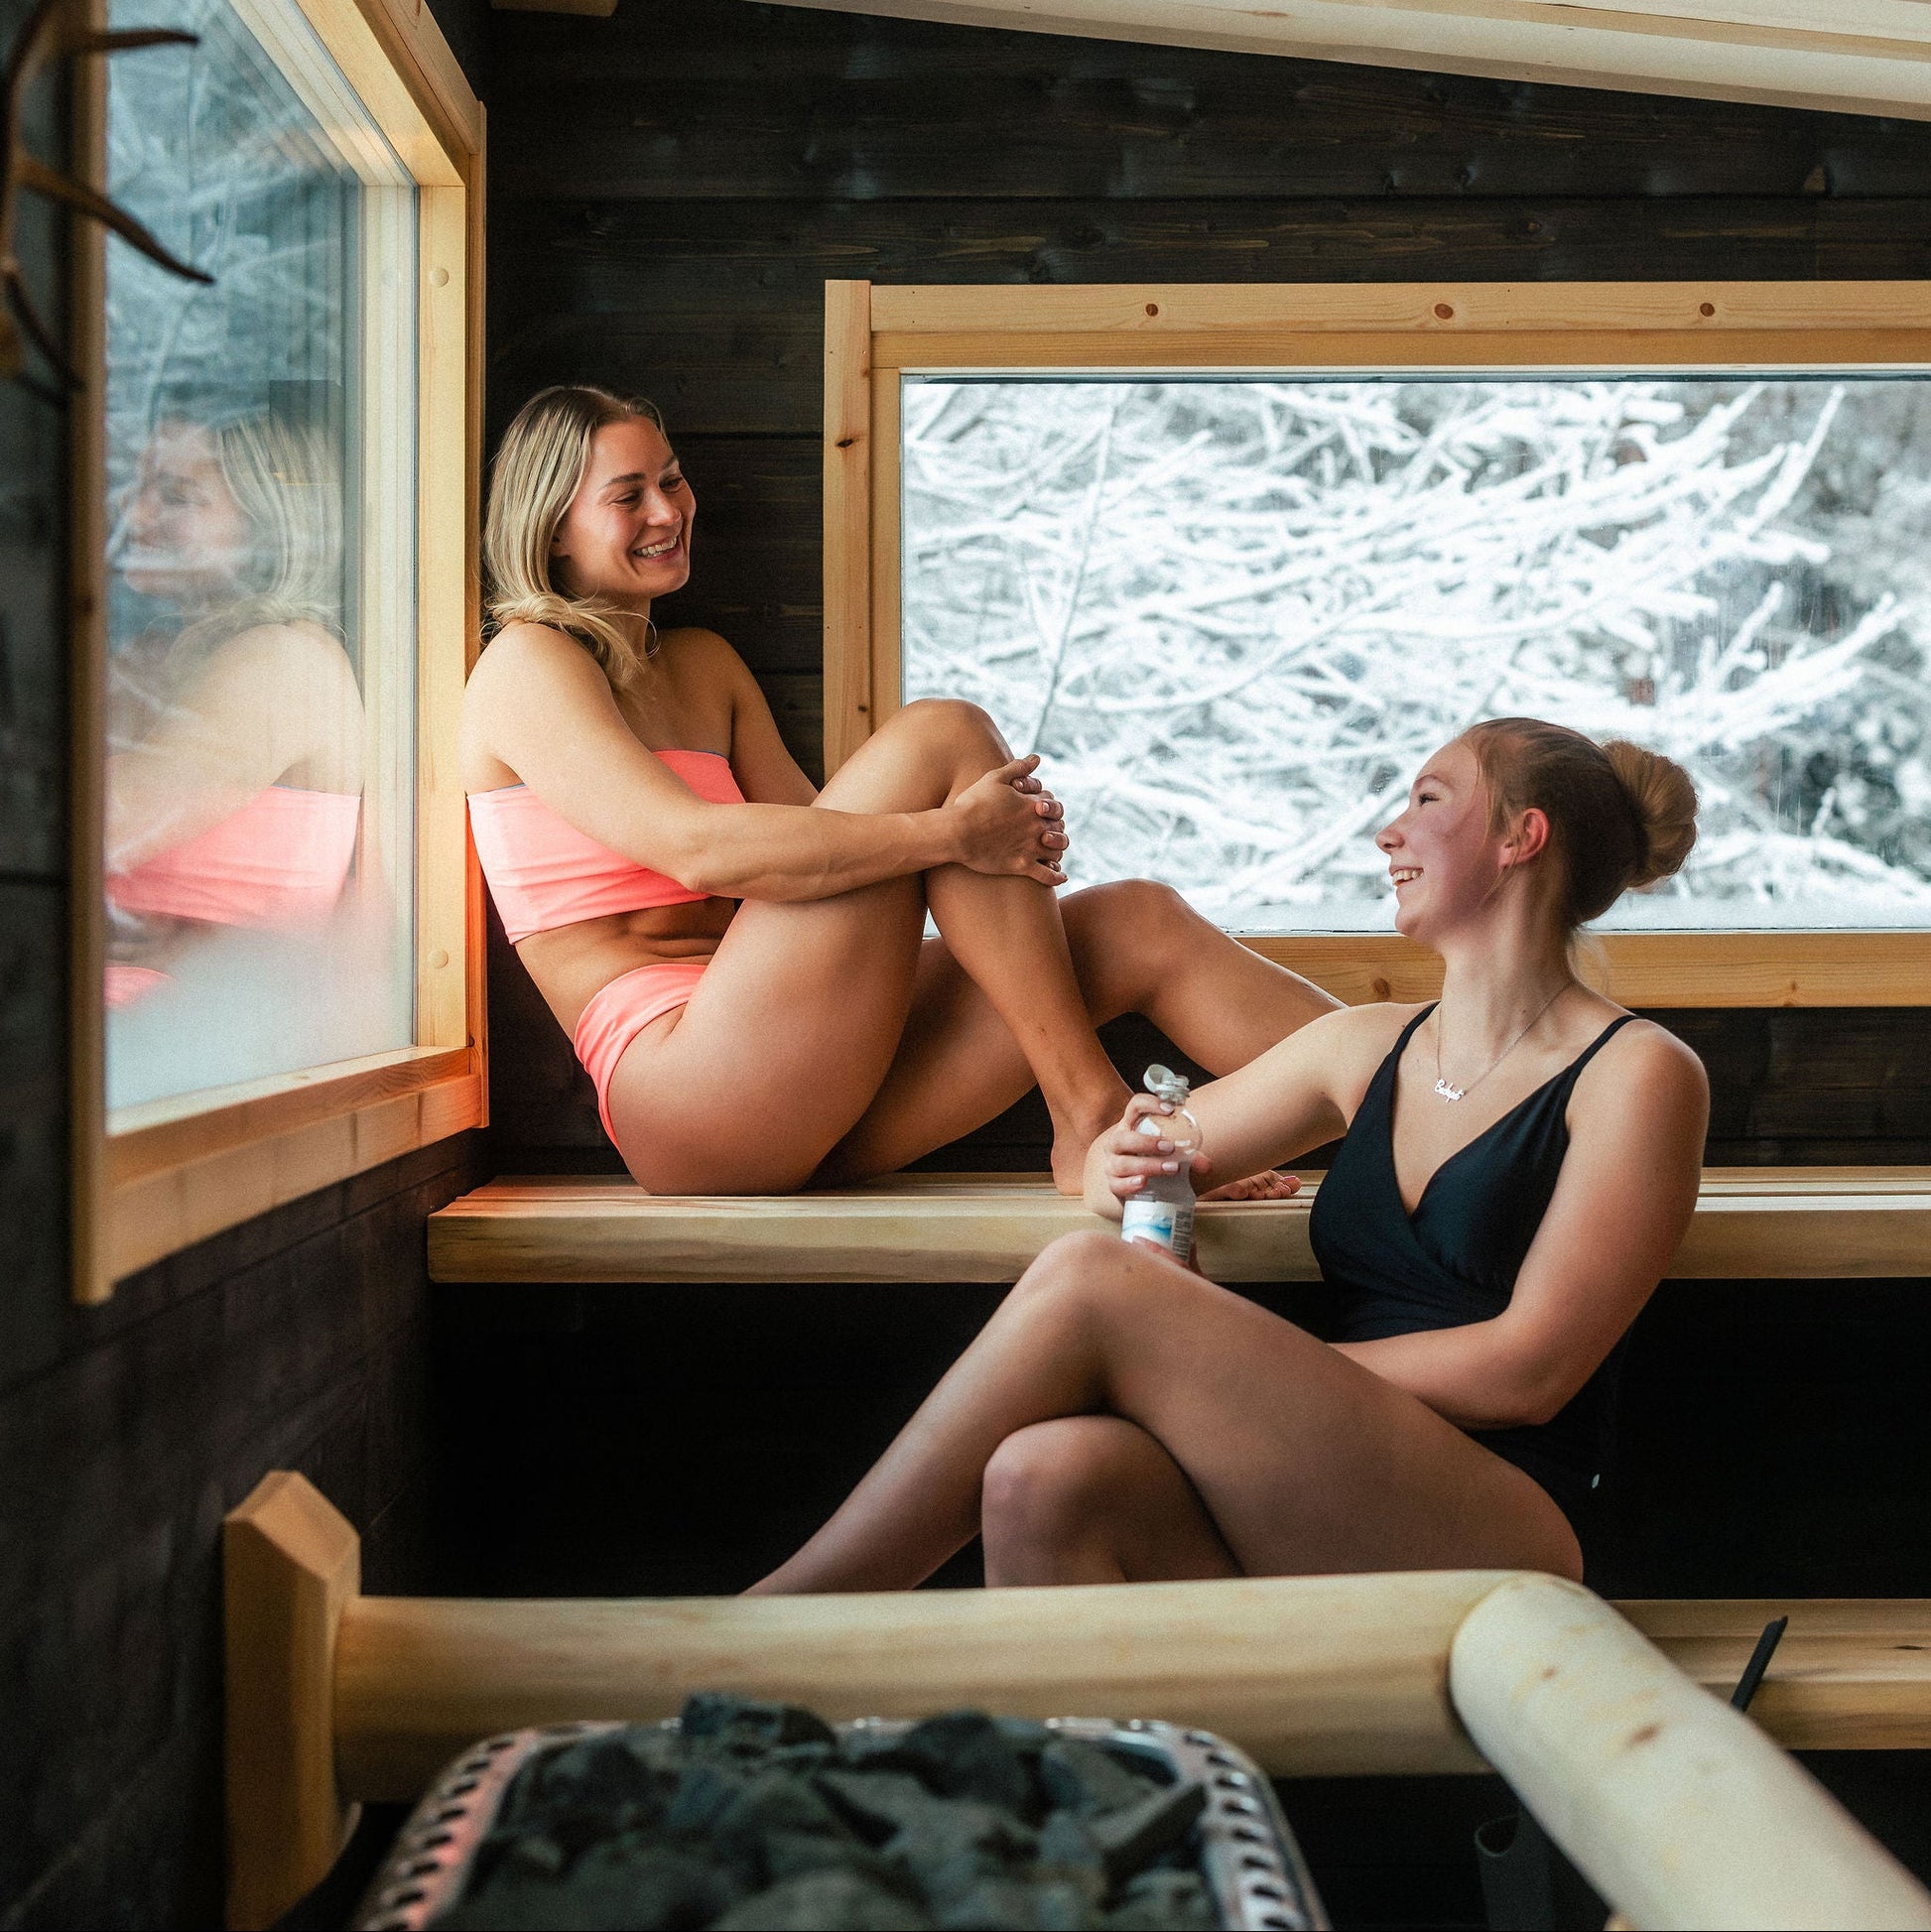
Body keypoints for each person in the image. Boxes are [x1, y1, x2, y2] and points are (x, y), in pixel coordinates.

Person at [748, 719, 1708, 1593]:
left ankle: (786, 1618)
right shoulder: (1367, 1046)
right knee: (1041, 1476)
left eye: (1427, 799)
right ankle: (1084, 1781)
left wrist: (1244, 1369)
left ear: (1519, 838)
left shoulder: (1638, 1075)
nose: (1390, 833)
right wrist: (1128, 1168)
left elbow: (1527, 1370)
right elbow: (1122, 1160)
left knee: (1093, 1281)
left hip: (1508, 1513)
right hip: (1326, 1475)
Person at [460, 384, 1339, 1195]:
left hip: (811, 1078)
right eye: (629, 495)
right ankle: (1095, 1118)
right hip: (688, 1096)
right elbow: (696, 849)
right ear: (551, 529)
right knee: (943, 734)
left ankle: (1444, 1107)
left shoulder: (704, 667)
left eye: (674, 480)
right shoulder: (526, 662)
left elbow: (831, 863)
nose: (668, 511)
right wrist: (957, 835)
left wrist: (967, 842)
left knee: (1137, 920)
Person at [105, 407, 364, 1017]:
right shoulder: (153, 655)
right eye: (136, 488)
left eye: (176, 495)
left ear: (269, 522)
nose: (134, 515)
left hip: (197, 1028)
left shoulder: (285, 661)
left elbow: (84, 826)